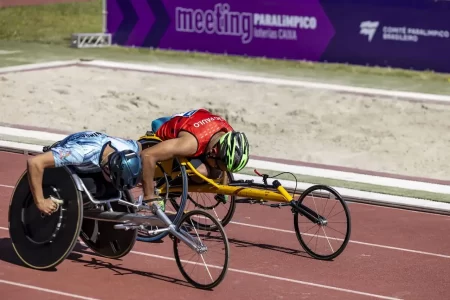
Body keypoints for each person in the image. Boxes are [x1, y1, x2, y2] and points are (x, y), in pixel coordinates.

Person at [140, 108, 250, 211]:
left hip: (196, 126)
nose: (220, 170)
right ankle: (164, 187)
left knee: (214, 174)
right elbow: (147, 155)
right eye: (218, 166)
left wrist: (224, 185)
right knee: (202, 174)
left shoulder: (228, 134)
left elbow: (224, 161)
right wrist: (149, 197)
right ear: (213, 151)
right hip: (171, 133)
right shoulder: (190, 144)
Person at [27, 131, 142, 215]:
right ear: (107, 168)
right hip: (72, 156)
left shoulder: (130, 148)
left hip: (95, 153)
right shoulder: (79, 153)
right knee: (93, 188)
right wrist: (40, 201)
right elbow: (35, 162)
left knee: (110, 189)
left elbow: (139, 145)